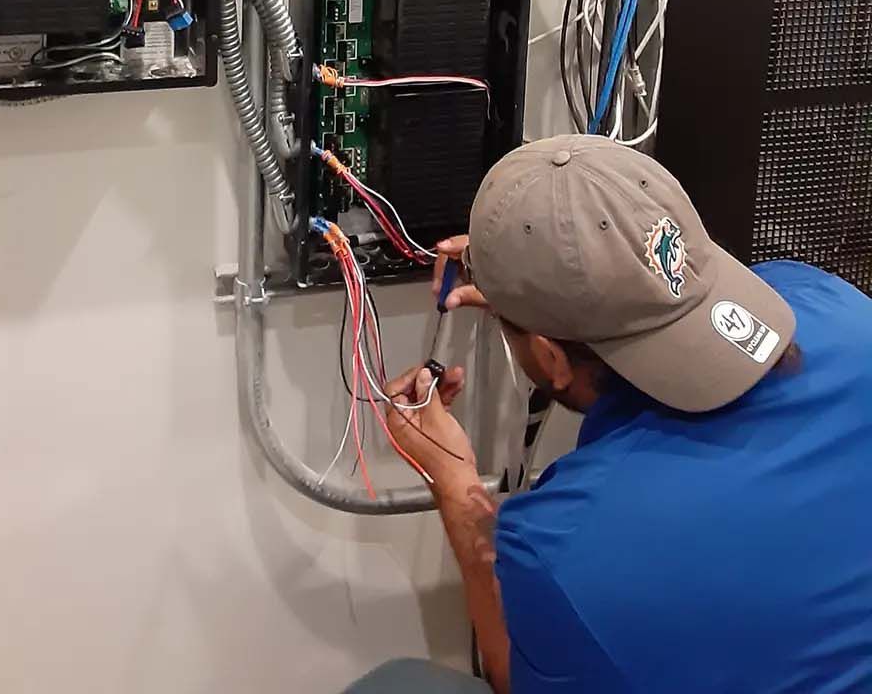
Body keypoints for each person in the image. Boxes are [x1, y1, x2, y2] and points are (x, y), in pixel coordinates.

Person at [345, 134, 872, 694]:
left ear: (551, 357)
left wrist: (454, 484)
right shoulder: (827, 301)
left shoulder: (566, 545)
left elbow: (513, 674)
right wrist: (531, 273)